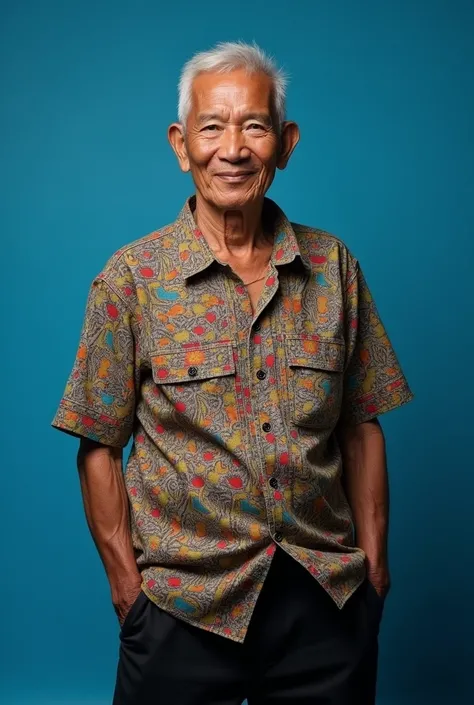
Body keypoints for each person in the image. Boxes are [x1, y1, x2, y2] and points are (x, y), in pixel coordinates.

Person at [52, 41, 413, 705]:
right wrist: (129, 594)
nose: (233, 148)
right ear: (180, 143)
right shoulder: (131, 280)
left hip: (324, 602)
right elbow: (97, 443)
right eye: (212, 127)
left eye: (254, 125)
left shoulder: (334, 269)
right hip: (182, 608)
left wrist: (375, 571)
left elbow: (364, 427)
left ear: (285, 142)